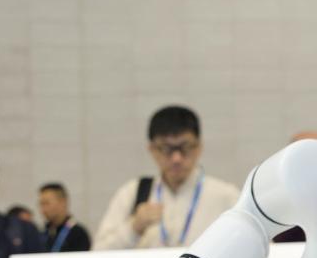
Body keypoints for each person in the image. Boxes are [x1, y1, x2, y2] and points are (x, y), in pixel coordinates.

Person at [93, 106, 240, 250]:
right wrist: (134, 228)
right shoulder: (133, 193)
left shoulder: (225, 196)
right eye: (166, 149)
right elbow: (98, 252)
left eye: (185, 147)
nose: (176, 158)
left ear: (199, 147)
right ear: (152, 150)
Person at [38, 183, 91, 253]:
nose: (43, 209)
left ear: (63, 202)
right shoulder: (43, 233)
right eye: (41, 204)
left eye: (46, 203)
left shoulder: (78, 234)